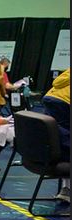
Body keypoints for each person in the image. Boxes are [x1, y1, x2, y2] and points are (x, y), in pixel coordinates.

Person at [42, 68, 70, 202]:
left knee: (56, 136)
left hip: (51, 97)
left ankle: (66, 189)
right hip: (66, 103)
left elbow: (58, 81)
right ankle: (67, 189)